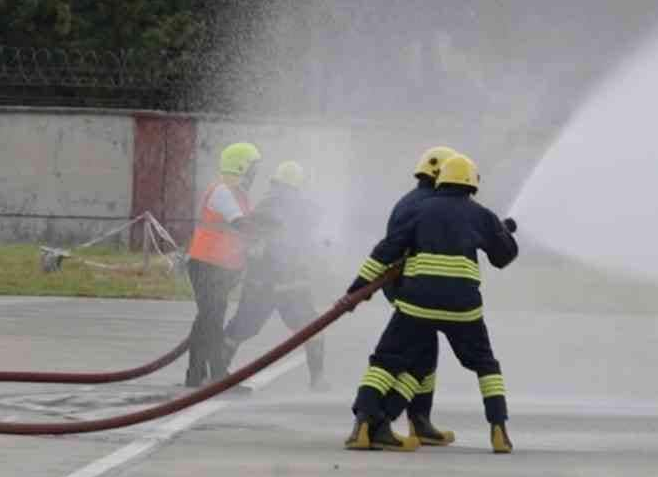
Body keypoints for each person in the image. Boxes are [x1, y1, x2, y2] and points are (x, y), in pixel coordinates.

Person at [343, 153, 519, 453]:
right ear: (472, 183)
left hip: (417, 304)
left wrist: (357, 290)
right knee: (485, 365)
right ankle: (499, 429)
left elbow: (386, 250)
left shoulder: (419, 209)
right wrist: (502, 235)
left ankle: (364, 425)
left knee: (387, 361)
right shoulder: (481, 215)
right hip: (463, 309)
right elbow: (503, 258)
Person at [354, 145, 459, 447]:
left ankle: (419, 421)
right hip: (411, 289)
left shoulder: (416, 201)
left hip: (410, 287)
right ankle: (372, 422)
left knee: (425, 355)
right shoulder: (426, 205)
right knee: (403, 357)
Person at [220, 160, 328, 390]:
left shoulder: (263, 207)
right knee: (311, 327)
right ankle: (317, 379)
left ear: (276, 183)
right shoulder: (304, 209)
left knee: (242, 327)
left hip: (265, 283)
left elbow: (250, 242)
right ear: (298, 186)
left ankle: (217, 372)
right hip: (284, 283)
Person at [185, 141, 261, 387]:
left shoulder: (239, 193)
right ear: (240, 166)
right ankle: (217, 376)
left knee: (207, 319)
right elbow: (240, 224)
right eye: (253, 168)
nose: (255, 174)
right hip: (206, 265)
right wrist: (269, 235)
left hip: (220, 268)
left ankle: (196, 375)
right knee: (212, 320)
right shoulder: (222, 191)